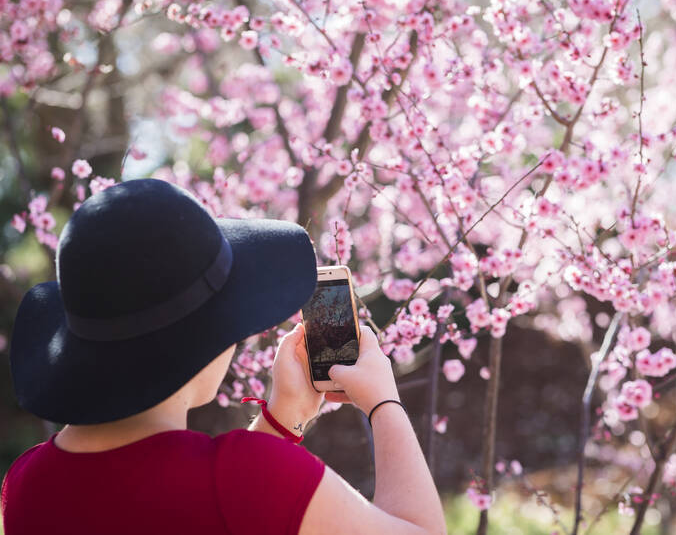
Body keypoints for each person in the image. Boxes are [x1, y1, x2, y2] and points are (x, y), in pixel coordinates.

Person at [0, 178, 446, 535]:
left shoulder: (24, 485)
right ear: (202, 338)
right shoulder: (246, 476)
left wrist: (283, 416)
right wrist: (383, 403)